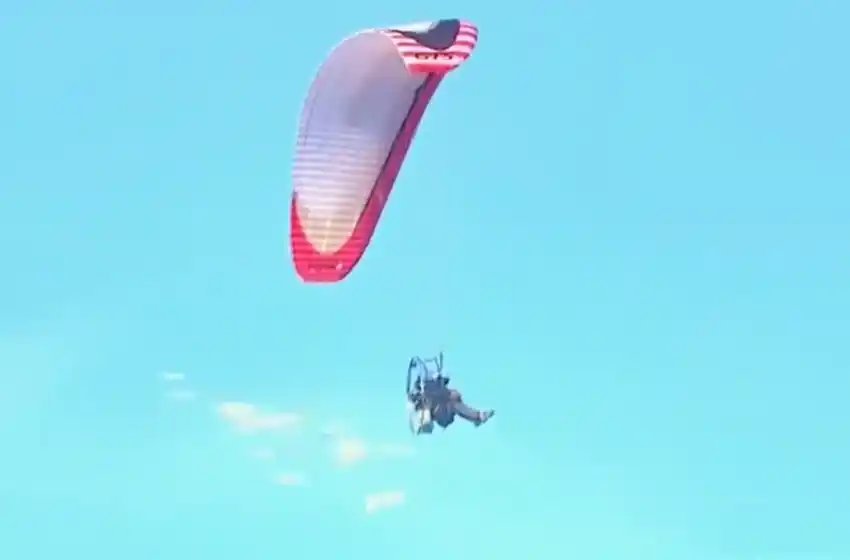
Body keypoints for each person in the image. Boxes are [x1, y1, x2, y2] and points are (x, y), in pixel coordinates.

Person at [409, 373, 494, 429]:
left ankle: (476, 417)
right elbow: (413, 398)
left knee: (454, 404)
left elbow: (455, 396)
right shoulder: (425, 391)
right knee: (453, 404)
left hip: (443, 411)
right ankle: (477, 417)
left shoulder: (443, 391)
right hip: (439, 414)